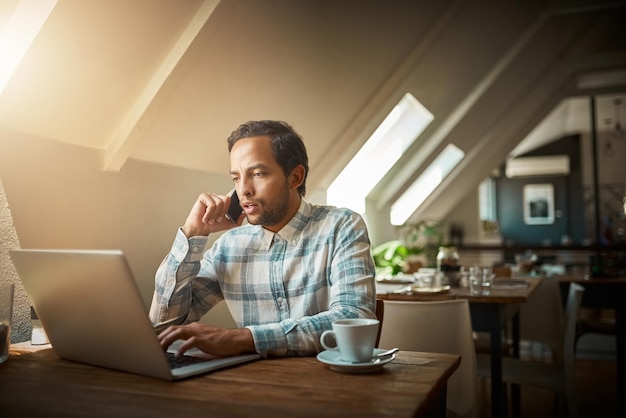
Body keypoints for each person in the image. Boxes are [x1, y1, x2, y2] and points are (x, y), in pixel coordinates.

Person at [149, 120, 376, 358]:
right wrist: (193, 233)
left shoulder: (341, 226)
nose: (243, 190)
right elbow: (163, 326)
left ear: (295, 177)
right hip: (250, 385)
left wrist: (245, 338)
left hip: (329, 382)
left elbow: (354, 318)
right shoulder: (229, 246)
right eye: (236, 178)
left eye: (257, 174)